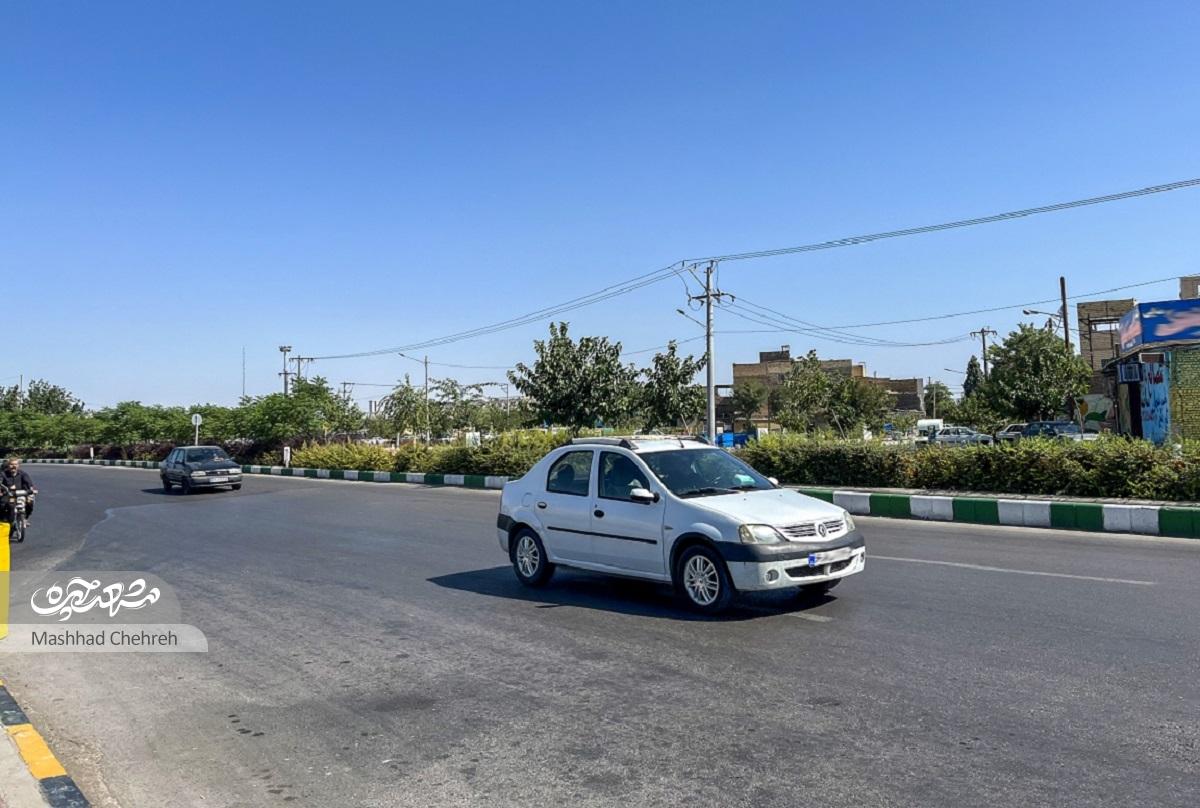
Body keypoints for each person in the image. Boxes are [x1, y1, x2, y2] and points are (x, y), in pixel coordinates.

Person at [1, 457, 36, 525]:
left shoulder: (23, 474)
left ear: (18, 465)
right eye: (11, 464)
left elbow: (29, 483)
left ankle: (25, 518)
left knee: (30, 502)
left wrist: (32, 490)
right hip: (8, 494)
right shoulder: (3, 474)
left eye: (15, 464)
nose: (13, 466)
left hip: (21, 493)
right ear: (8, 465)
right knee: (3, 504)